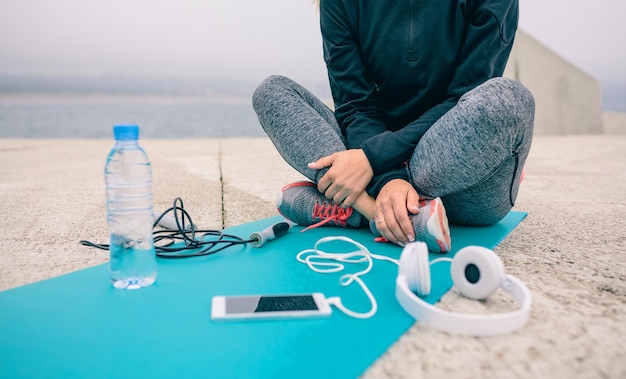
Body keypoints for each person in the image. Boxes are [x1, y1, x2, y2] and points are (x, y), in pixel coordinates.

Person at [252, 0, 534, 253]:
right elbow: (356, 106)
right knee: (272, 92)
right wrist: (388, 178)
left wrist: (374, 161)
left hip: (460, 182)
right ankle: (376, 211)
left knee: (508, 98)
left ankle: (353, 205)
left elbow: (463, 97)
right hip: (370, 165)